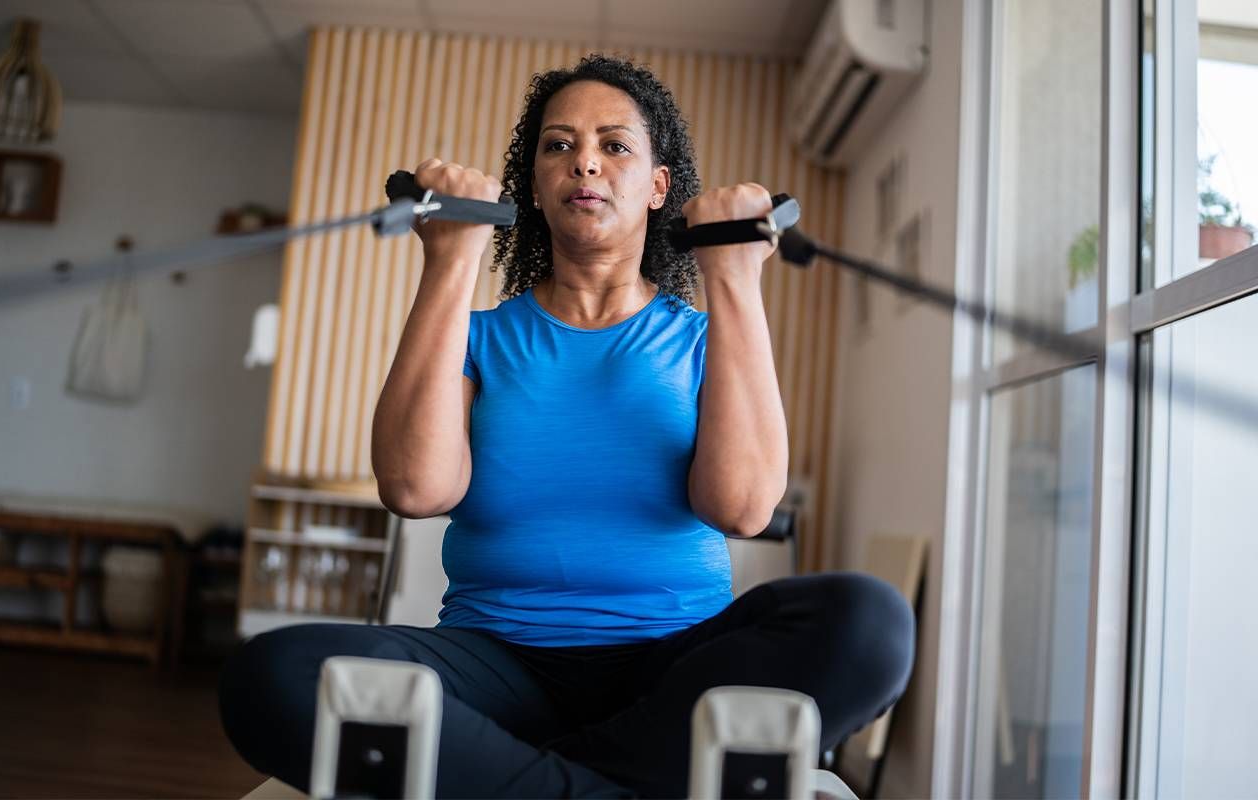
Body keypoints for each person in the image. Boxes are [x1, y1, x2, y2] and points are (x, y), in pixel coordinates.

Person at [219, 55, 914, 799]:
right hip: (495, 665)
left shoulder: (704, 339)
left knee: (869, 624)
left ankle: (514, 775)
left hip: (672, 674)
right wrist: (451, 260)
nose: (584, 159)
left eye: (615, 144)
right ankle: (609, 780)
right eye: (558, 145)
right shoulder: (477, 338)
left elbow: (741, 508)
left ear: (657, 188)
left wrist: (736, 278)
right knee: (273, 673)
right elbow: (415, 488)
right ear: (535, 189)